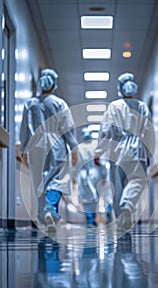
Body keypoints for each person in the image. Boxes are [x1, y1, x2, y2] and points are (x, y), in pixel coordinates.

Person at [95, 72, 155, 232]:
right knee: (136, 181)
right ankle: (128, 206)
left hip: (117, 151)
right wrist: (148, 153)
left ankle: (122, 219)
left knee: (118, 187)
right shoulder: (141, 106)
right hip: (137, 150)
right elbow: (148, 131)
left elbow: (105, 131)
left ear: (120, 88)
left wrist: (99, 151)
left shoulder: (113, 106)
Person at [20, 68, 78, 231]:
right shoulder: (59, 103)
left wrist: (23, 148)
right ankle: (50, 209)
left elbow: (24, 128)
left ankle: (44, 216)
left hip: (36, 146)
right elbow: (68, 128)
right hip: (56, 145)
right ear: (54, 84)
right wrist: (74, 148)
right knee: (56, 179)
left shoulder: (30, 104)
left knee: (39, 182)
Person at [73, 127, 113, 227]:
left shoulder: (79, 148)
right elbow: (102, 162)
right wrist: (105, 175)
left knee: (88, 199)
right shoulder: (95, 147)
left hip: (83, 176)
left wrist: (74, 179)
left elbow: (74, 165)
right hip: (96, 174)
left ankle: (91, 220)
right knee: (103, 197)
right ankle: (107, 215)